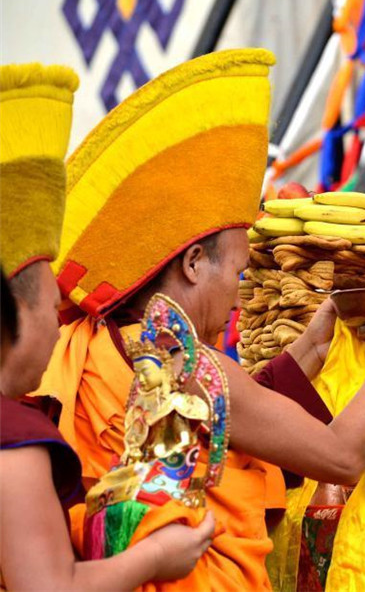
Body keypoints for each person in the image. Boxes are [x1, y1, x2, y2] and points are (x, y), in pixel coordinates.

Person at [36, 49, 365, 590]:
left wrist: (319, 340)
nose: (240, 298)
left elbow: (228, 417)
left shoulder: (116, 343)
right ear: (194, 263)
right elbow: (341, 456)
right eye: (239, 273)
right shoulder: (190, 365)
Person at [0, 63, 213, 590]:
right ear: (11, 315)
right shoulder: (12, 442)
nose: (57, 332)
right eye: (52, 310)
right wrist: (158, 556)